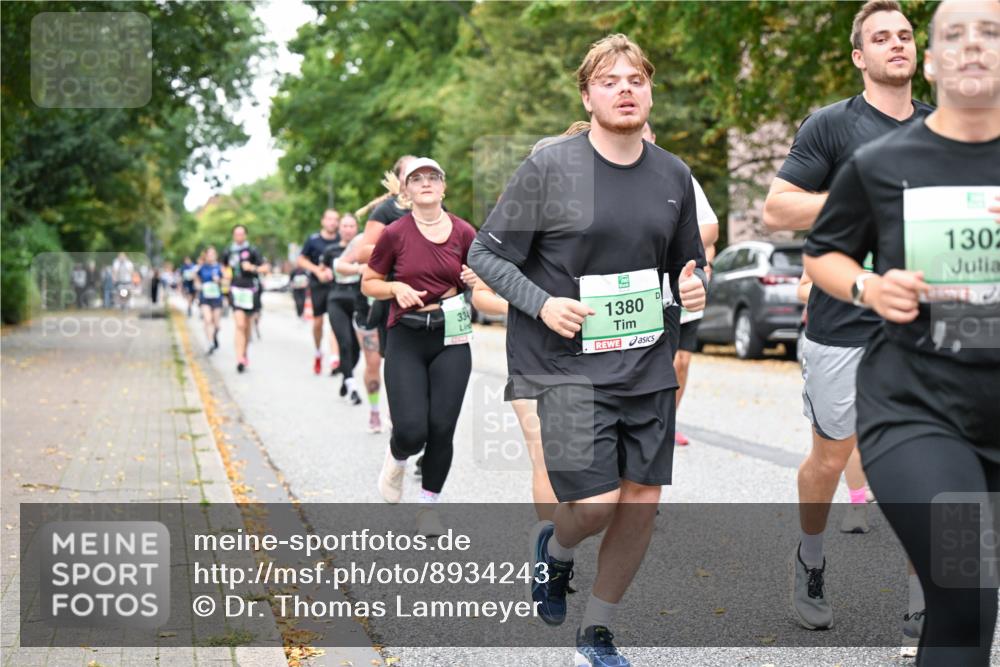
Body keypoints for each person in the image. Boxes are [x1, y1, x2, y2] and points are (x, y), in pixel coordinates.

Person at [469, 35, 707, 666]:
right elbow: (485, 254)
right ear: (587, 94)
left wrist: (693, 288)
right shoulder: (550, 167)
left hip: (647, 361)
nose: (625, 88)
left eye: (636, 79)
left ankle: (597, 632)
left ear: (650, 90)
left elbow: (688, 269)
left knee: (642, 499)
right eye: (610, 80)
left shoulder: (673, 175)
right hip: (564, 364)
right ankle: (556, 552)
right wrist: (542, 303)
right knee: (596, 504)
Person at [805, 1, 1000, 663]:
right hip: (920, 410)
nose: (973, 45)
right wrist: (869, 287)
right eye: (955, 33)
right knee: (967, 588)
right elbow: (822, 253)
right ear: (936, 58)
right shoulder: (883, 160)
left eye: (992, 32)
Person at [761, 0, 933, 635]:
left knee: (928, 454)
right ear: (860, 56)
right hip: (843, 319)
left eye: (905, 35)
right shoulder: (831, 126)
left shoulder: (947, 127)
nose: (896, 44)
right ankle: (809, 557)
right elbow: (778, 210)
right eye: (881, 38)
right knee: (832, 458)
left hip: (924, 322)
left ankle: (927, 588)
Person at [363, 157, 478, 536]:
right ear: (406, 191)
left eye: (433, 177)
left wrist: (476, 275)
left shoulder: (463, 232)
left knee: (442, 428)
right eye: (417, 178)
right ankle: (397, 457)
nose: (426, 183)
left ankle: (429, 504)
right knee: (412, 430)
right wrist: (394, 287)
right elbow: (369, 282)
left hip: (451, 336)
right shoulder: (395, 233)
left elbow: (482, 279)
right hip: (407, 335)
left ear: (444, 187)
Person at [641, 121, 720, 447]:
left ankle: (666, 423)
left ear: (653, 137)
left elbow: (709, 230)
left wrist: (671, 248)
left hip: (679, 290)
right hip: (636, 297)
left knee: (678, 362)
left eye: (645, 133)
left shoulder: (674, 173)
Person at [323, 213, 365, 405]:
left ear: (356, 229)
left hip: (358, 300)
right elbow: (323, 271)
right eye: (344, 226)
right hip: (337, 300)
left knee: (356, 350)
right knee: (345, 343)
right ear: (339, 229)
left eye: (351, 226)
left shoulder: (364, 249)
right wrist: (324, 274)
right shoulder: (331, 250)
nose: (348, 229)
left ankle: (345, 377)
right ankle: (352, 387)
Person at [297, 209, 342, 374]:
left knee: (335, 321)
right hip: (317, 285)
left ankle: (335, 358)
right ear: (323, 221)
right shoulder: (313, 239)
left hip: (336, 285)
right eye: (329, 219)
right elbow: (301, 259)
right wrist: (317, 271)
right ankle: (318, 352)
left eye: (335, 220)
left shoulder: (341, 240)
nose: (332, 222)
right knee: (318, 323)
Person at [225, 225, 268, 373]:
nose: (239, 236)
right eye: (236, 234)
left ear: (246, 235)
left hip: (250, 291)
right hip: (235, 290)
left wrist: (252, 268)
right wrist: (225, 276)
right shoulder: (228, 251)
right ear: (233, 235)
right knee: (239, 325)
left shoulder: (253, 250)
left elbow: (265, 268)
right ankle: (239, 359)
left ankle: (244, 352)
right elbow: (223, 267)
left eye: (242, 234)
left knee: (247, 326)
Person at [195, 246, 225, 354]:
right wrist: (199, 285)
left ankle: (214, 336)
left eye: (213, 254)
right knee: (208, 320)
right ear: (206, 256)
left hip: (217, 297)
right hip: (205, 297)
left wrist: (219, 281)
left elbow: (225, 282)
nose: (211, 256)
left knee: (216, 324)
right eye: (209, 254)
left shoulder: (219, 267)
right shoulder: (201, 268)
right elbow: (196, 280)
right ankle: (210, 342)